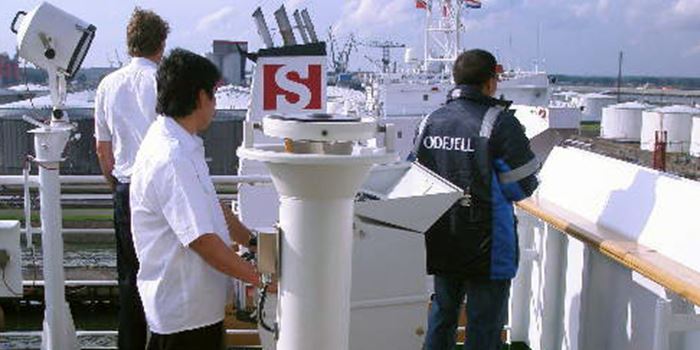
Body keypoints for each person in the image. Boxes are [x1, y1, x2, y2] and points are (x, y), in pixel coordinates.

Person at [129, 48, 260, 350]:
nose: (215, 105)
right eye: (214, 95)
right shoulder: (171, 156)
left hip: (197, 311)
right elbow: (202, 241)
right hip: (184, 316)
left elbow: (215, 210)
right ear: (201, 97)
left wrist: (255, 243)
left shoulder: (181, 144)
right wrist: (260, 279)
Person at [412, 49, 539, 350]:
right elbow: (522, 186)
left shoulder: (431, 120)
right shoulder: (500, 122)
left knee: (442, 314)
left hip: (442, 236)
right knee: (484, 325)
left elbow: (416, 175)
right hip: (488, 245)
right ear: (490, 82)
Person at [94, 8, 169, 349]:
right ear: (161, 43)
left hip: (126, 189)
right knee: (168, 278)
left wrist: (115, 185)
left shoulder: (107, 85)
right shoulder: (165, 82)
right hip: (163, 190)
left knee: (130, 281)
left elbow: (102, 149)